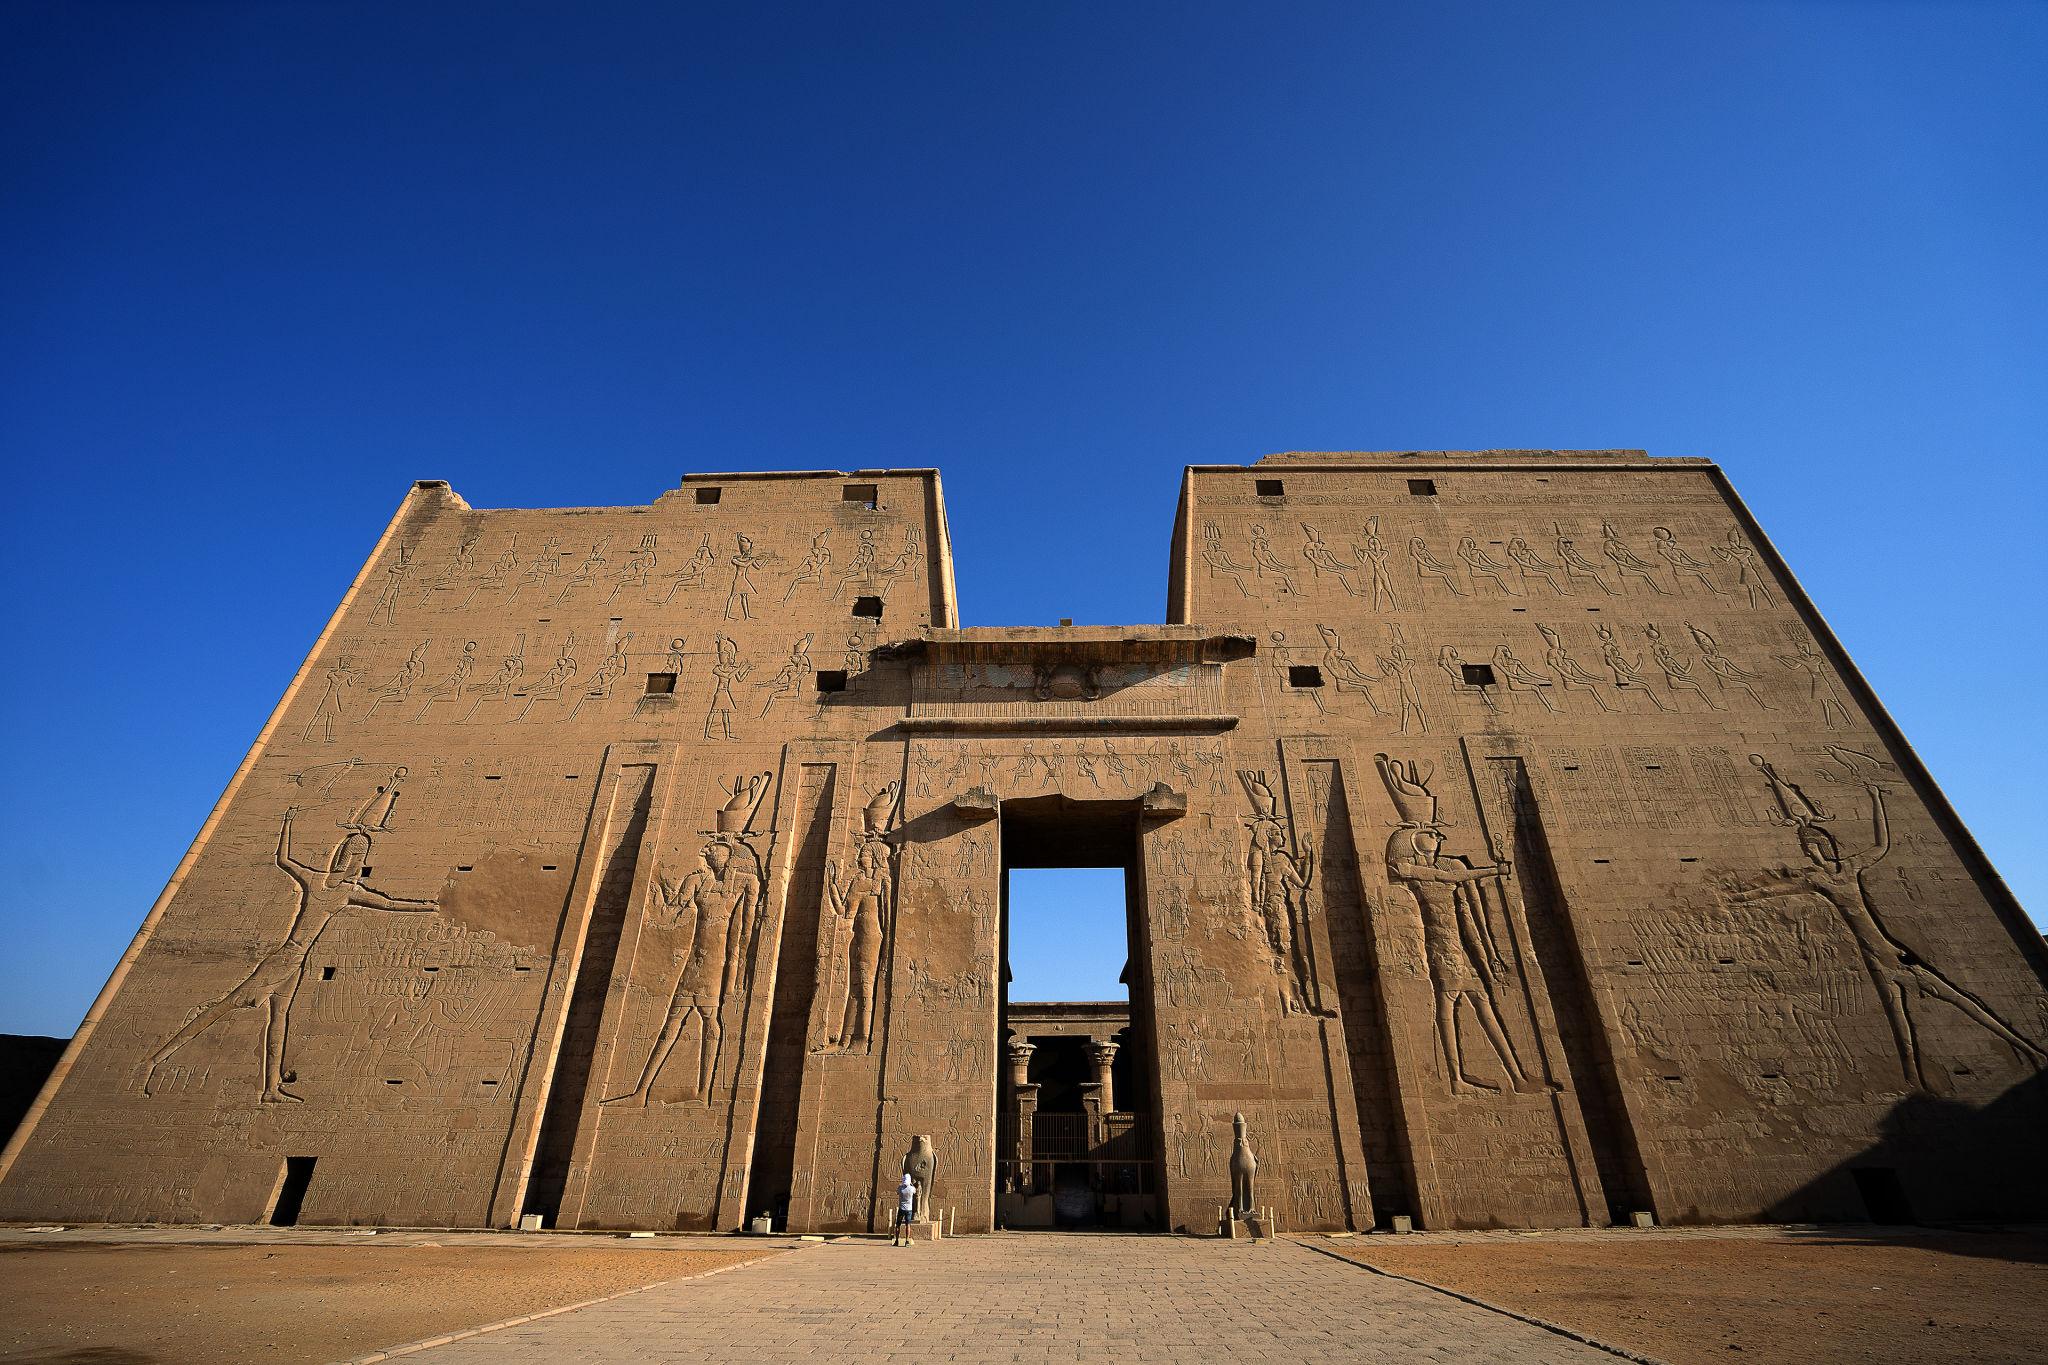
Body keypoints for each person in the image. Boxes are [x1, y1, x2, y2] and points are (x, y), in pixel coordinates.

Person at [893, 1172, 917, 1246]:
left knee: (898, 1225)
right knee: (908, 1225)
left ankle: (896, 1241)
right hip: (909, 1209)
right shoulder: (911, 1188)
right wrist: (911, 1184)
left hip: (901, 1208)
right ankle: (907, 1241)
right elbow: (915, 1191)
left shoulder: (900, 1188)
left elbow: (897, 1192)